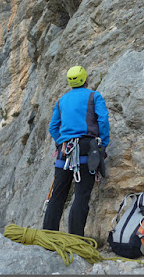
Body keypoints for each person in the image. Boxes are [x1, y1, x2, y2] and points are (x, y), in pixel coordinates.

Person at [43, 65, 110, 236]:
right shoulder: (94, 96)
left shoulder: (61, 101)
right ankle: (76, 238)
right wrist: (104, 144)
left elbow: (53, 127)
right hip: (86, 148)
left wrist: (62, 142)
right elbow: (102, 120)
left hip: (64, 151)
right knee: (81, 195)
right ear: (86, 79)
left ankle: (48, 236)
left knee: (57, 196)